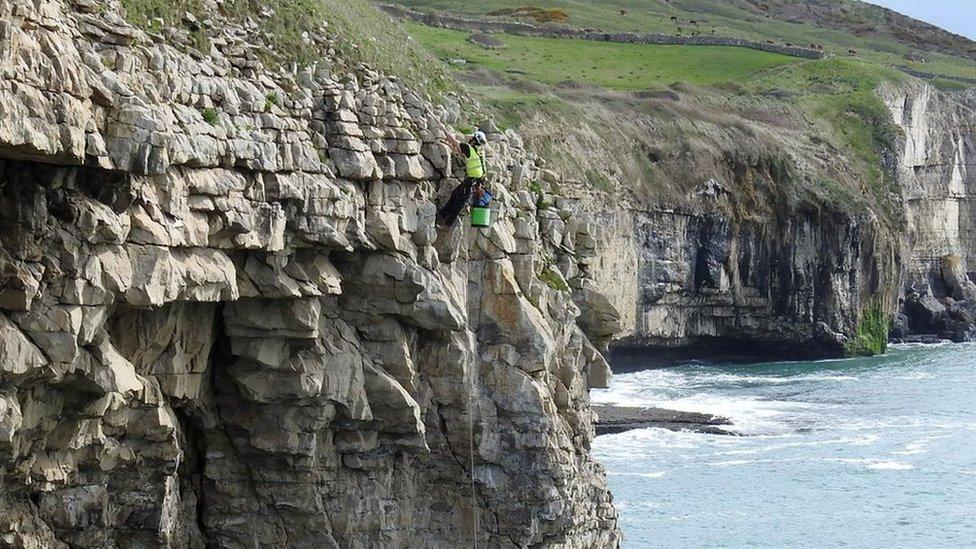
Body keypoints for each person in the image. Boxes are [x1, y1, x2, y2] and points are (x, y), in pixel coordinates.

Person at [437, 126, 490, 226]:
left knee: (458, 202)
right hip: (478, 181)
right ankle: (441, 216)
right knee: (455, 195)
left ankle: (447, 224)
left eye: (472, 138)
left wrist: (444, 129)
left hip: (471, 182)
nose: (470, 140)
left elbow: (452, 140)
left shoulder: (469, 149)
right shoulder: (480, 151)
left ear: (475, 140)